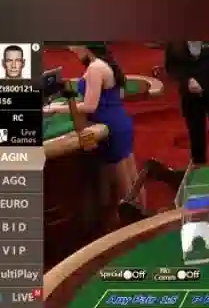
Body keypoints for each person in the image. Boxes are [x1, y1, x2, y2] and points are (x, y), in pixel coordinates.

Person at [42, 43, 143, 209]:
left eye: (74, 46)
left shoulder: (95, 68)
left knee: (124, 189)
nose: (71, 49)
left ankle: (133, 221)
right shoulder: (105, 62)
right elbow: (113, 96)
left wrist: (56, 109)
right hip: (119, 121)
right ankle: (142, 216)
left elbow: (90, 106)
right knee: (133, 179)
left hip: (110, 127)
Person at [164, 42, 209, 165]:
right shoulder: (176, 43)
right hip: (190, 97)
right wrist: (187, 80)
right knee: (196, 134)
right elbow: (171, 67)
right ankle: (198, 167)